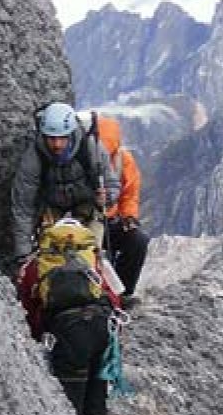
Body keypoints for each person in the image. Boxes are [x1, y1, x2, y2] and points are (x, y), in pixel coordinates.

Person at [17, 218, 122, 415]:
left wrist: (40, 336)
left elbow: (28, 309)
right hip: (101, 329)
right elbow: (115, 299)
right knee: (96, 402)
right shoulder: (95, 259)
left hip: (67, 333)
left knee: (70, 403)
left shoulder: (37, 264)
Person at [7, 102, 120, 278]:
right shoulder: (34, 158)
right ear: (43, 135)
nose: (57, 144)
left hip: (87, 211)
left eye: (62, 137)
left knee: (91, 256)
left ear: (71, 133)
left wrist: (107, 198)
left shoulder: (90, 148)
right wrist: (24, 255)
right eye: (51, 138)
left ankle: (104, 293)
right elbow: (23, 207)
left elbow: (112, 184)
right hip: (52, 213)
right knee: (52, 257)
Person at [96, 116, 150, 309]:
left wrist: (129, 217)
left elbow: (129, 193)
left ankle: (122, 293)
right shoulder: (84, 159)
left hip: (111, 220)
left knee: (137, 240)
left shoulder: (123, 160)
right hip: (87, 220)